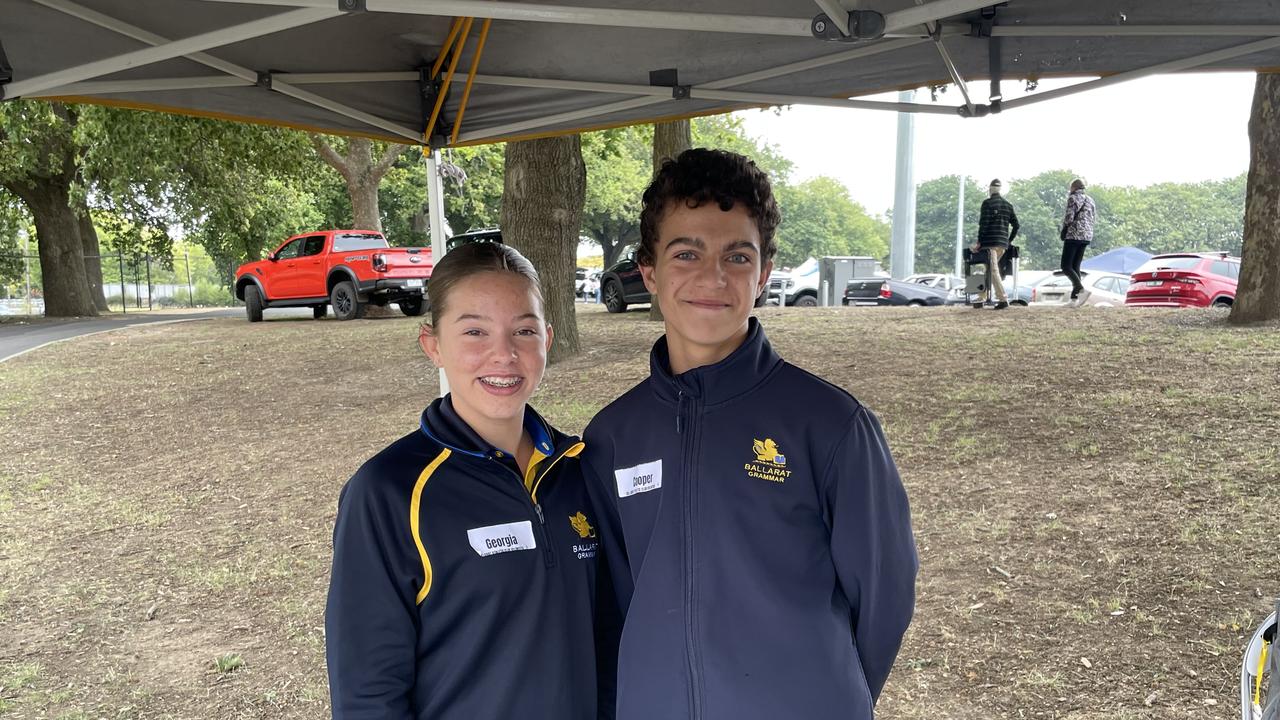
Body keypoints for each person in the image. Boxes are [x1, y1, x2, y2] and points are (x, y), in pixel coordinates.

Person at [582, 148, 917, 720]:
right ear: (649, 271)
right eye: (686, 252)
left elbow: (882, 600)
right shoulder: (613, 436)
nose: (712, 277)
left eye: (737, 256)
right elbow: (614, 602)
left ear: (762, 276)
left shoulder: (831, 425)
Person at [325, 242, 607, 720]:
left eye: (524, 330)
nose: (504, 354)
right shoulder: (389, 492)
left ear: (547, 339)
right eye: (475, 331)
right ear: (433, 345)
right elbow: (368, 690)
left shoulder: (578, 470)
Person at [971, 178, 1020, 310]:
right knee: (989, 270)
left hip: (990, 244)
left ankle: (1003, 299)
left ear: (990, 189)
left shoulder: (987, 203)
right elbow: (1016, 225)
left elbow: (984, 224)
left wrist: (979, 242)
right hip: (1002, 245)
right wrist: (1008, 241)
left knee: (993, 270)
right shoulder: (1008, 205)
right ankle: (981, 297)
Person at [1060, 178, 1096, 304]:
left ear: (1074, 188)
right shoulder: (1090, 200)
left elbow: (1069, 217)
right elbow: (1093, 218)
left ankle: (1080, 289)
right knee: (1075, 267)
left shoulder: (1073, 198)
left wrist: (1064, 230)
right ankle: (1074, 299)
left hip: (1074, 235)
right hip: (1086, 236)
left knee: (1065, 266)